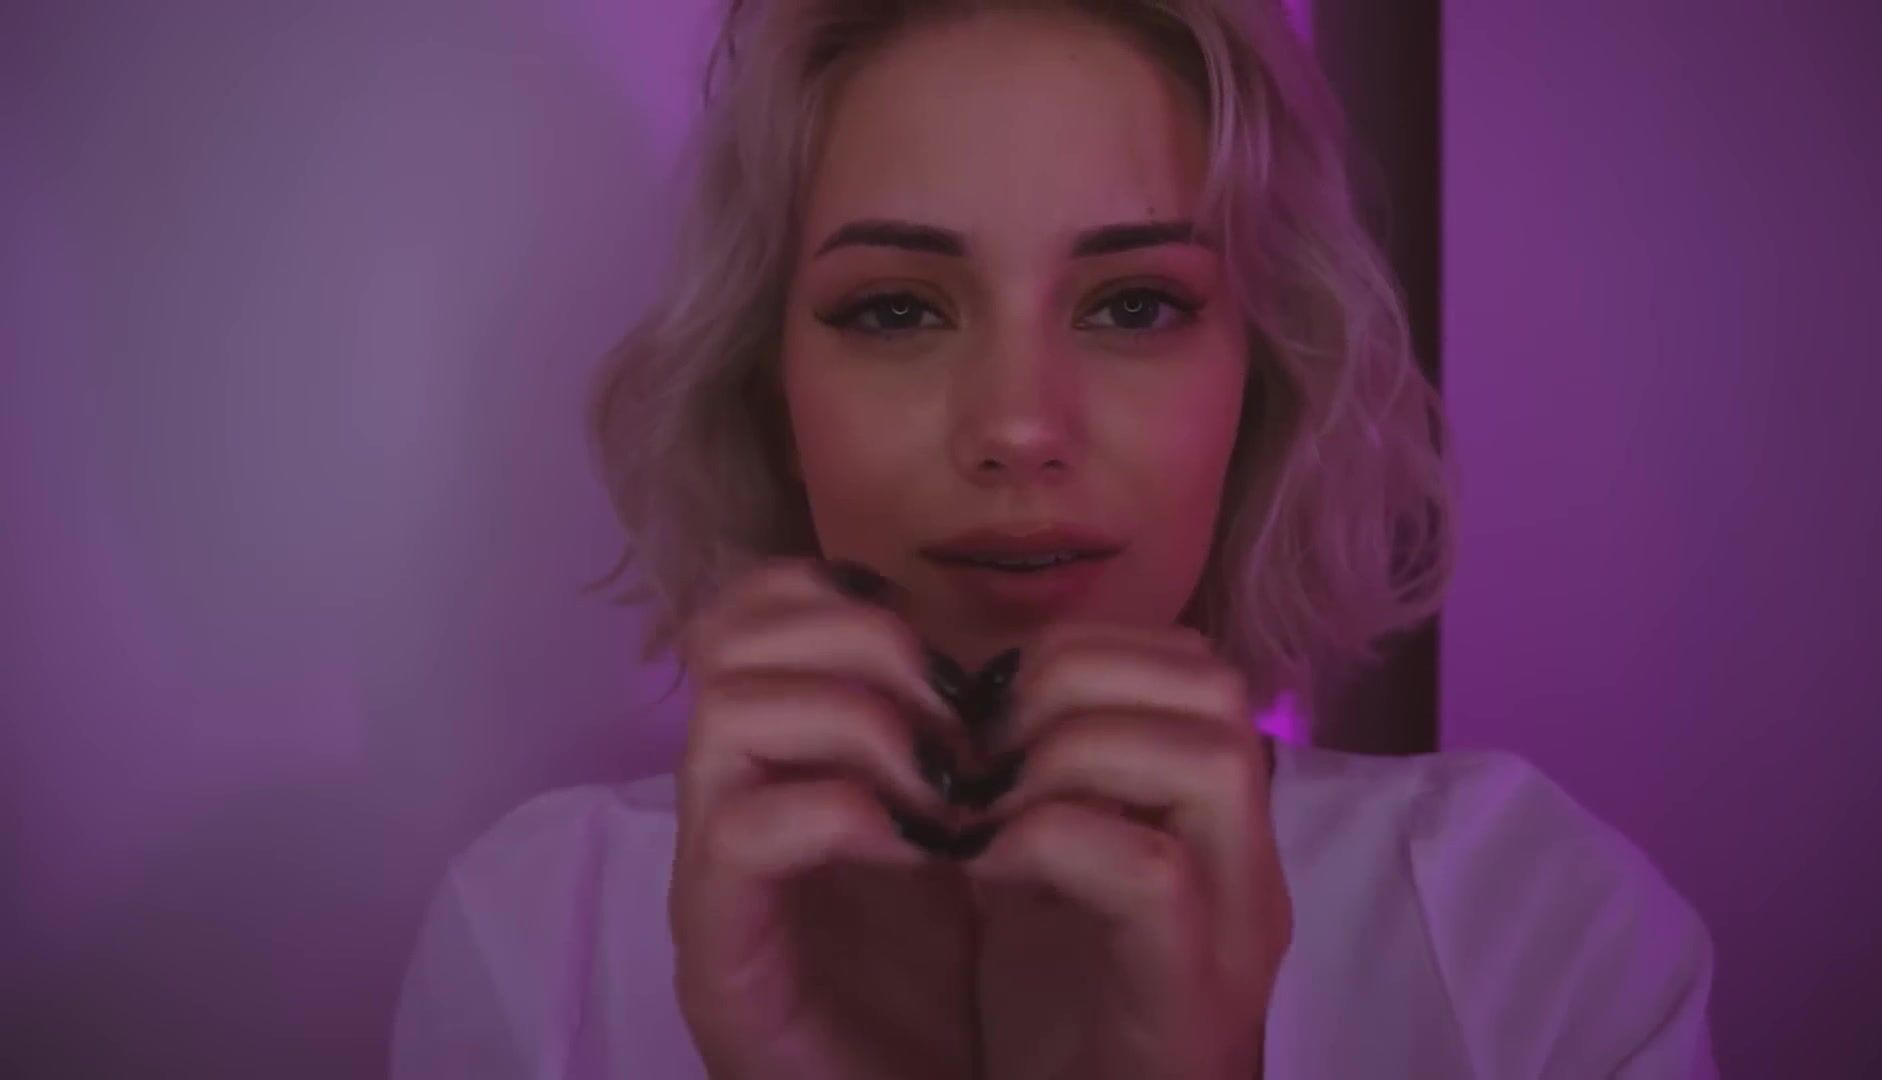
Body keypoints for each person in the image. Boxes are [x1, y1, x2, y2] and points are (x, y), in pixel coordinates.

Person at [391, 1, 1718, 1076]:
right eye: (898, 310)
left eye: (1135, 305)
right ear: (768, 391)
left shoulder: (1528, 930)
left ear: (1263, 383)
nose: (1019, 427)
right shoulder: (540, 937)